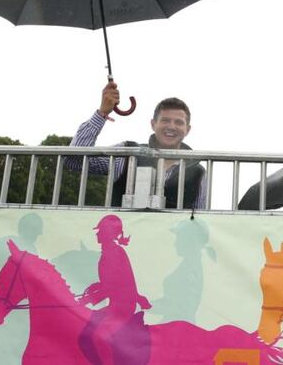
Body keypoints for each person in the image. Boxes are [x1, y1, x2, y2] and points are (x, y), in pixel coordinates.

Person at [68, 81, 206, 209]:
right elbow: (73, 160)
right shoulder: (126, 153)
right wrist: (102, 113)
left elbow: (200, 218)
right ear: (153, 124)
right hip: (122, 235)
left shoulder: (199, 173)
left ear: (187, 129)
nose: (171, 126)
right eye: (165, 120)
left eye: (179, 122)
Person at [78, 215, 152, 365]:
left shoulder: (113, 253)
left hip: (121, 306)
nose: (97, 234)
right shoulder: (110, 251)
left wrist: (88, 300)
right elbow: (110, 281)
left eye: (100, 231)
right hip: (116, 305)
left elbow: (112, 286)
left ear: (108, 233)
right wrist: (95, 287)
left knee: (98, 336)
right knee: (85, 331)